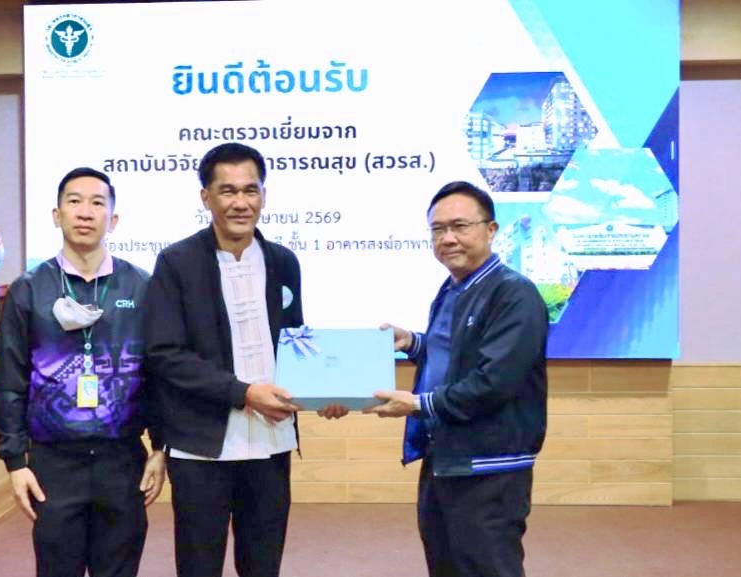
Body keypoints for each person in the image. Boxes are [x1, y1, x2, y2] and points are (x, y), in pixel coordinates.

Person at [145, 142, 344, 577]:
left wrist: (324, 392)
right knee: (199, 566)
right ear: (206, 197)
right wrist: (244, 393)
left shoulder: (284, 262)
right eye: (228, 191)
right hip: (201, 447)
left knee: (263, 564)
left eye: (251, 190)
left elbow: (295, 343)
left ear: (264, 196)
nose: (241, 202)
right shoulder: (176, 262)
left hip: (271, 442)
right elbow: (165, 355)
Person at [365, 181, 548, 577]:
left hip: (489, 467)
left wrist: (417, 404)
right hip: (445, 459)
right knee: (445, 565)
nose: (448, 238)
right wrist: (413, 343)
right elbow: (457, 354)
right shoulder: (453, 289)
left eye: (460, 226)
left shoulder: (514, 294)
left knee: (486, 567)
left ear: (491, 230)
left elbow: (494, 381)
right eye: (438, 229)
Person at [0, 167, 165, 577]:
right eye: (74, 201)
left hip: (121, 460)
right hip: (53, 463)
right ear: (57, 215)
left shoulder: (141, 287)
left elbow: (159, 375)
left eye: (97, 203)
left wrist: (161, 447)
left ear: (113, 219)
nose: (85, 212)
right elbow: (9, 381)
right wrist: (15, 462)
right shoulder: (29, 289)